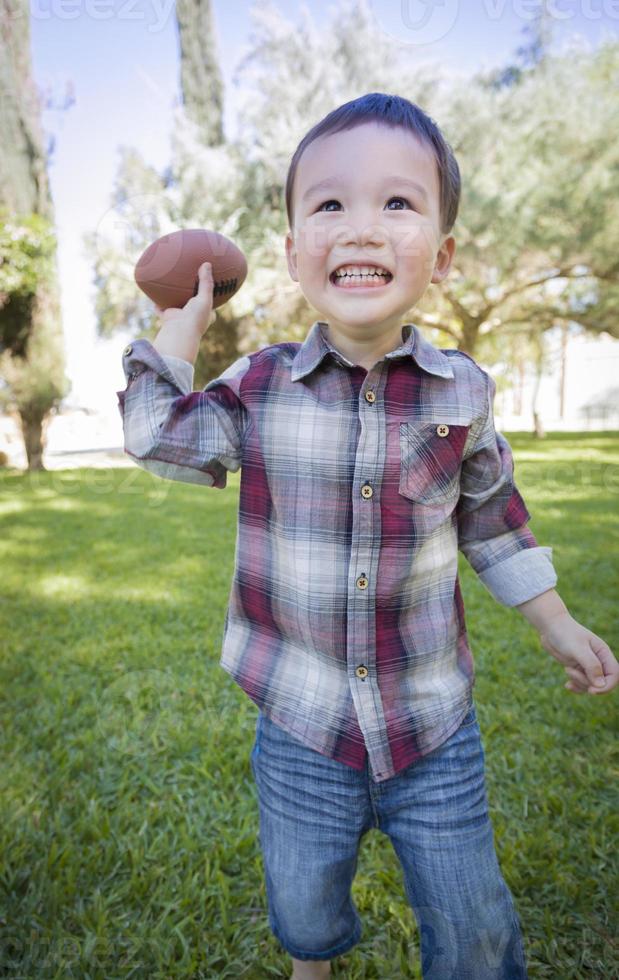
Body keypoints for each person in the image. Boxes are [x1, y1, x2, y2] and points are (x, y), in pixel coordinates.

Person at [116, 93, 618, 980]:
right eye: (329, 205)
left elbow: (493, 520)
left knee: (475, 929)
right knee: (304, 903)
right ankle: (314, 966)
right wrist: (176, 334)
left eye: (397, 203)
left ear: (444, 254)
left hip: (432, 727)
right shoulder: (261, 386)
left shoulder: (461, 393)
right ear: (292, 252)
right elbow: (159, 436)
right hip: (300, 720)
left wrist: (553, 622)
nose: (361, 228)